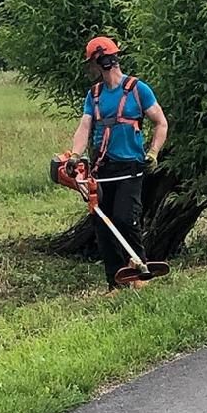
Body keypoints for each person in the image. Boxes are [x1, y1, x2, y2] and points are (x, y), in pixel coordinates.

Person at [67, 36, 169, 288]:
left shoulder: (138, 89)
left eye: (91, 62)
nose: (90, 68)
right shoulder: (94, 94)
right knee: (102, 225)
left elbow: (161, 123)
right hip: (102, 169)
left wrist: (153, 152)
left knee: (125, 218)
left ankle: (139, 270)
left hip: (131, 168)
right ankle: (115, 283)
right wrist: (75, 155)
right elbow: (84, 127)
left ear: (100, 61)